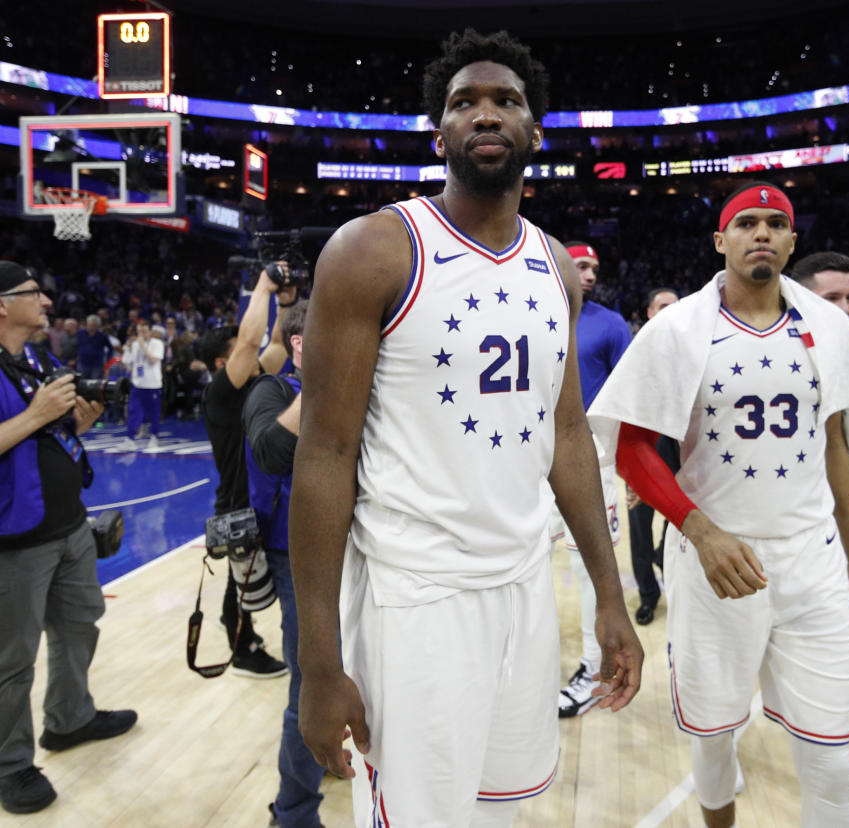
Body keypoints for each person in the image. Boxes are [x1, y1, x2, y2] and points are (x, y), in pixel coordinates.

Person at [289, 30, 642, 828]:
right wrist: (318, 664)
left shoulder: (554, 263)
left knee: (500, 812)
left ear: (534, 131)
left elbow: (569, 435)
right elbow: (324, 455)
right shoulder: (374, 249)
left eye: (506, 101)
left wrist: (609, 599)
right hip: (415, 597)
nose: (486, 113)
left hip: (522, 585)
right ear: (439, 132)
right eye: (464, 103)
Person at [591, 182, 849, 827]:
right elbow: (633, 449)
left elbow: (835, 446)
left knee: (830, 752)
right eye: (747, 222)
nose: (763, 233)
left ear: (792, 241)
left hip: (812, 559)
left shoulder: (829, 327)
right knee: (713, 732)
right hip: (715, 558)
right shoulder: (676, 330)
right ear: (722, 241)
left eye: (777, 223)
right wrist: (701, 529)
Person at [0, 262, 136, 815]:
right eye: (33, 293)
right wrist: (37, 414)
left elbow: (47, 436)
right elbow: (28, 425)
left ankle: (70, 718)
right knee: (12, 660)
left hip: (68, 523)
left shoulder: (37, 357)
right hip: (14, 538)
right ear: (3, 304)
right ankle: (10, 766)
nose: (47, 301)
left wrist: (76, 422)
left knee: (79, 625)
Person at [789, 250, 849, 827]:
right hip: (770, 540)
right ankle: (719, 759)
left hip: (838, 540)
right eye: (833, 299)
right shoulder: (746, 353)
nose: (848, 309)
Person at [241, 301, 323, 828]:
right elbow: (270, 450)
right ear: (299, 344)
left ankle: (331, 756)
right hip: (296, 556)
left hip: (360, 551)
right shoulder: (270, 391)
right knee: (309, 682)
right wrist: (321, 379)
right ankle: (292, 812)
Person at [200, 270, 294, 680]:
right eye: (238, 349)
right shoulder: (220, 394)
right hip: (239, 503)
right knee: (245, 587)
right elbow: (254, 341)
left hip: (260, 497)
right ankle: (242, 650)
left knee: (243, 585)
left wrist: (287, 304)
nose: (248, 351)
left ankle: (240, 640)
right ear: (223, 363)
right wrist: (263, 286)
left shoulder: (257, 377)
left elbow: (274, 343)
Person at [552, 240, 632, 717]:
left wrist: (631, 470)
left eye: (593, 267)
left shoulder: (611, 323)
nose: (588, 273)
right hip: (531, 456)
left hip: (593, 460)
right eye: (579, 264)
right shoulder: (532, 310)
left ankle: (592, 668)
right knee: (518, 566)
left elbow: (630, 400)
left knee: (591, 574)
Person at [624, 286, 679, 627]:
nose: (671, 311)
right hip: (643, 457)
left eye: (676, 306)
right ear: (649, 313)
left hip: (681, 457)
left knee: (676, 529)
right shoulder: (634, 354)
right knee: (640, 532)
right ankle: (648, 597)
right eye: (663, 306)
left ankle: (665, 560)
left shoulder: (696, 350)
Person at [119, 322, 164, 451]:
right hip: (138, 384)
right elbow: (127, 362)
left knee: (154, 413)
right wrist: (127, 348)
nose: (141, 335)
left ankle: (154, 438)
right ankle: (130, 439)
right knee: (133, 411)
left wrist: (143, 345)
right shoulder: (134, 344)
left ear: (150, 332)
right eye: (139, 332)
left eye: (144, 331)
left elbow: (153, 360)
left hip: (153, 384)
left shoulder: (157, 343)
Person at [75, 315, 110, 381]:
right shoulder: (80, 333)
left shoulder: (102, 336)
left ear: (97, 326)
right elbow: (74, 345)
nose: (90, 326)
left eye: (93, 325)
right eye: (89, 324)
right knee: (82, 383)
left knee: (94, 384)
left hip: (96, 365)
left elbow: (110, 348)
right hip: (82, 363)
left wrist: (107, 360)